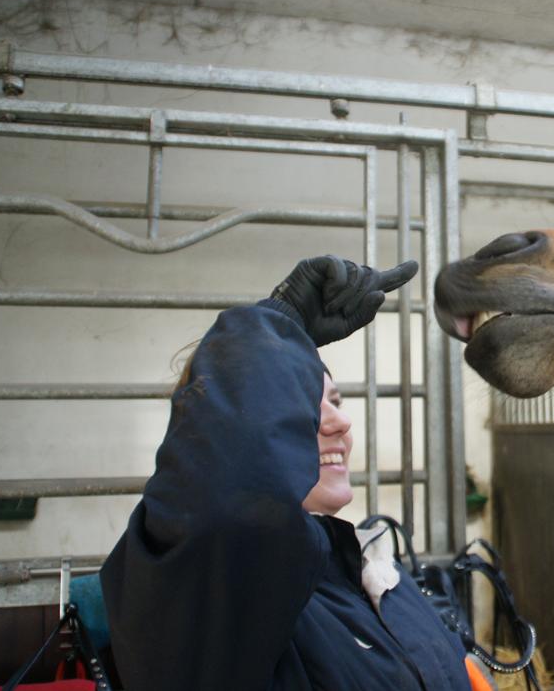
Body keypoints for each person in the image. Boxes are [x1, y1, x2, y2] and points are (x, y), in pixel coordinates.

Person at [100, 256, 473, 690]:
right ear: (226, 436)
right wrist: (281, 320)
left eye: (336, 401)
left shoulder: (368, 568)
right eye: (304, 413)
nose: (338, 422)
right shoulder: (212, 593)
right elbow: (228, 499)